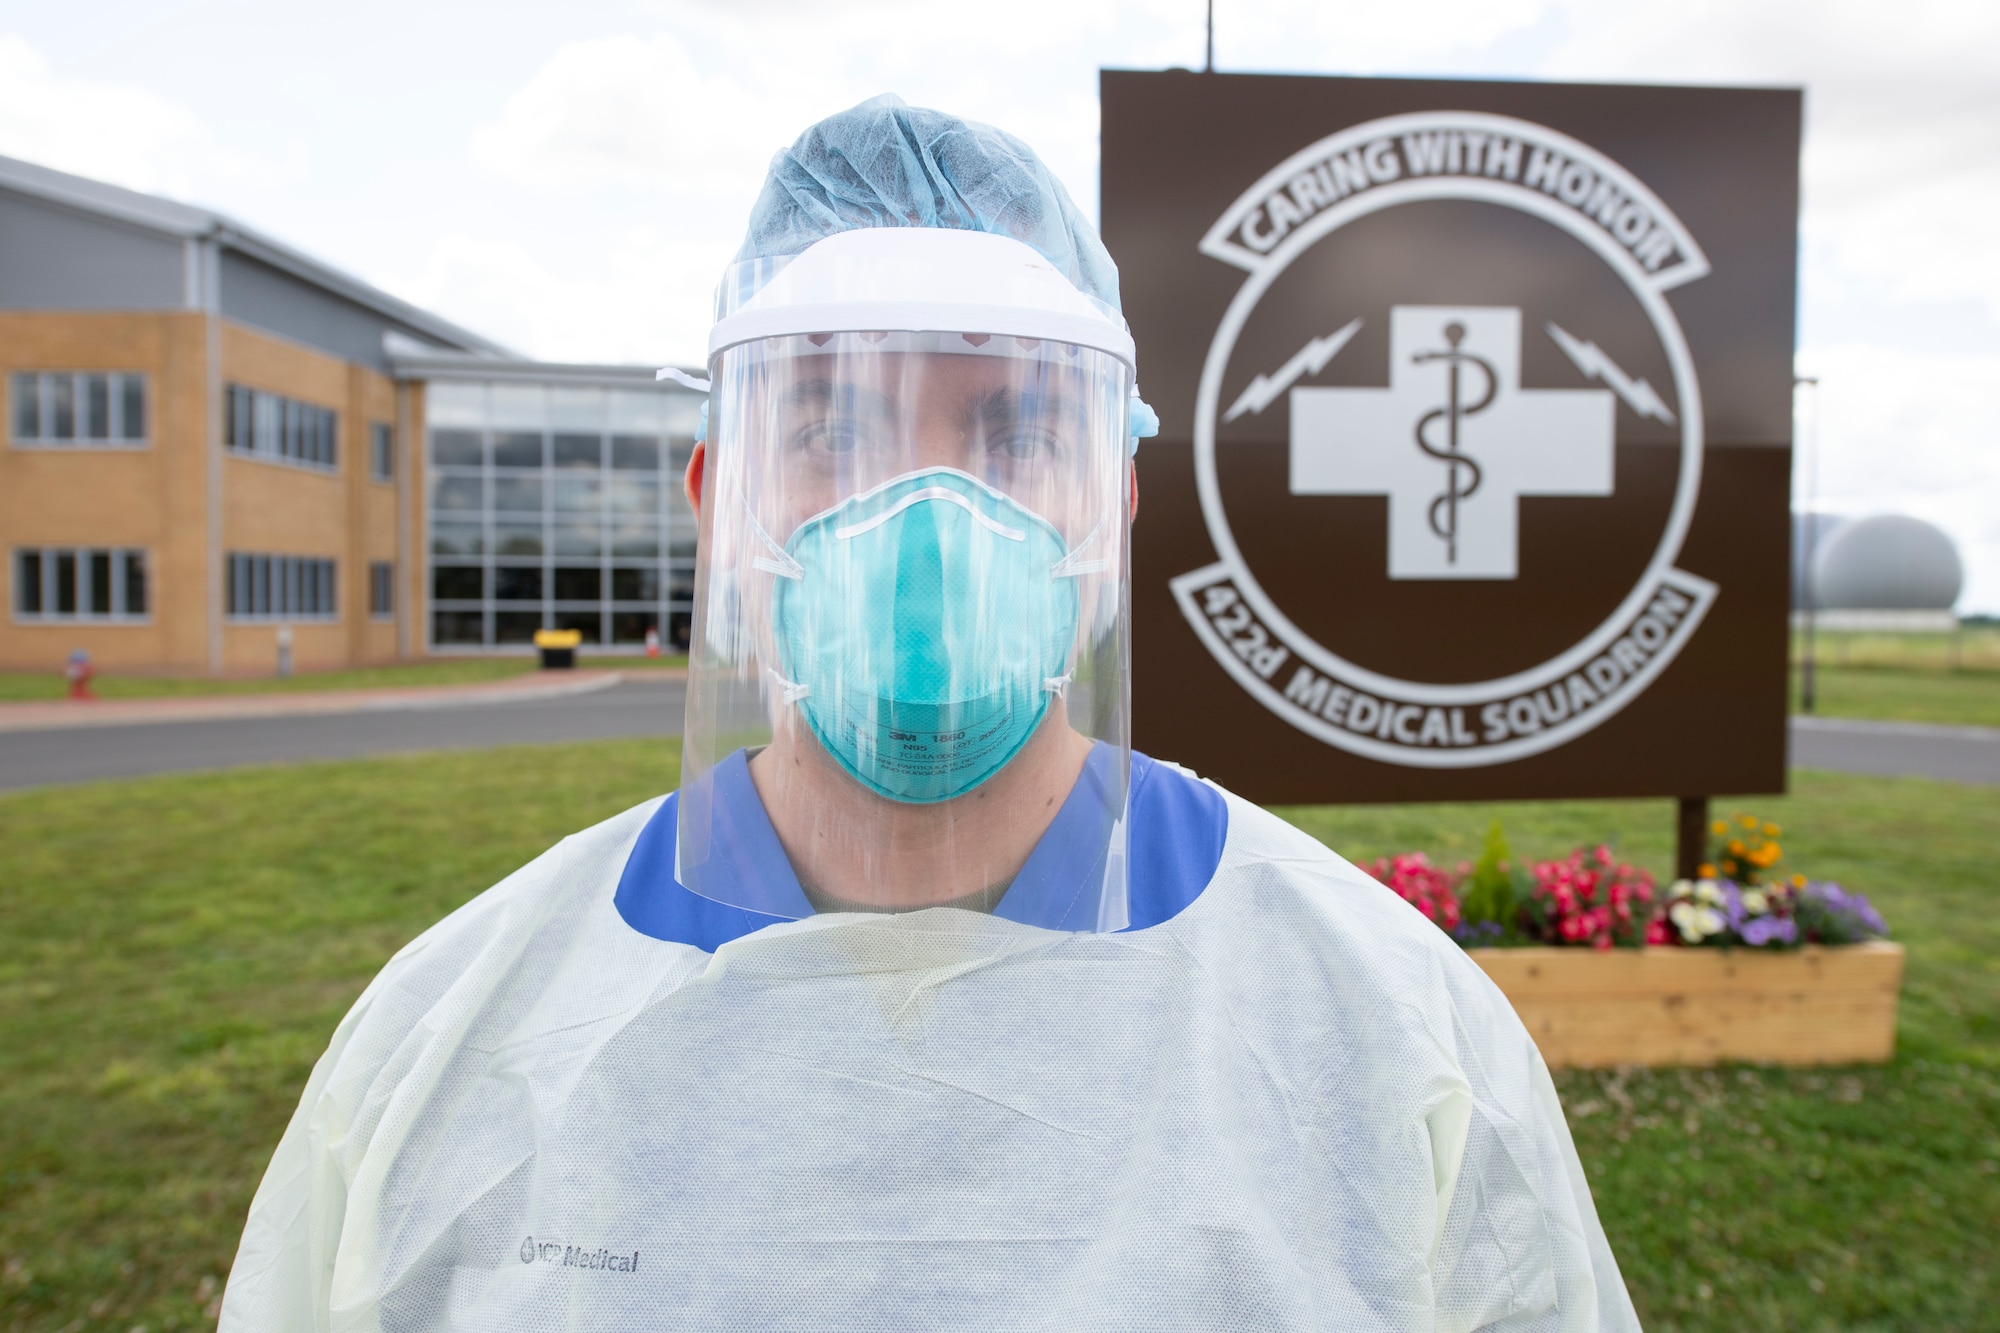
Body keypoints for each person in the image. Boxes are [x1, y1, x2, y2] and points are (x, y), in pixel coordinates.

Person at [220, 96, 1639, 1331]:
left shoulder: (1391, 1037)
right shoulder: (452, 1046)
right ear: (724, 508)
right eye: (831, 429)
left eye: (1019, 433)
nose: (927, 522)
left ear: (1116, 505)